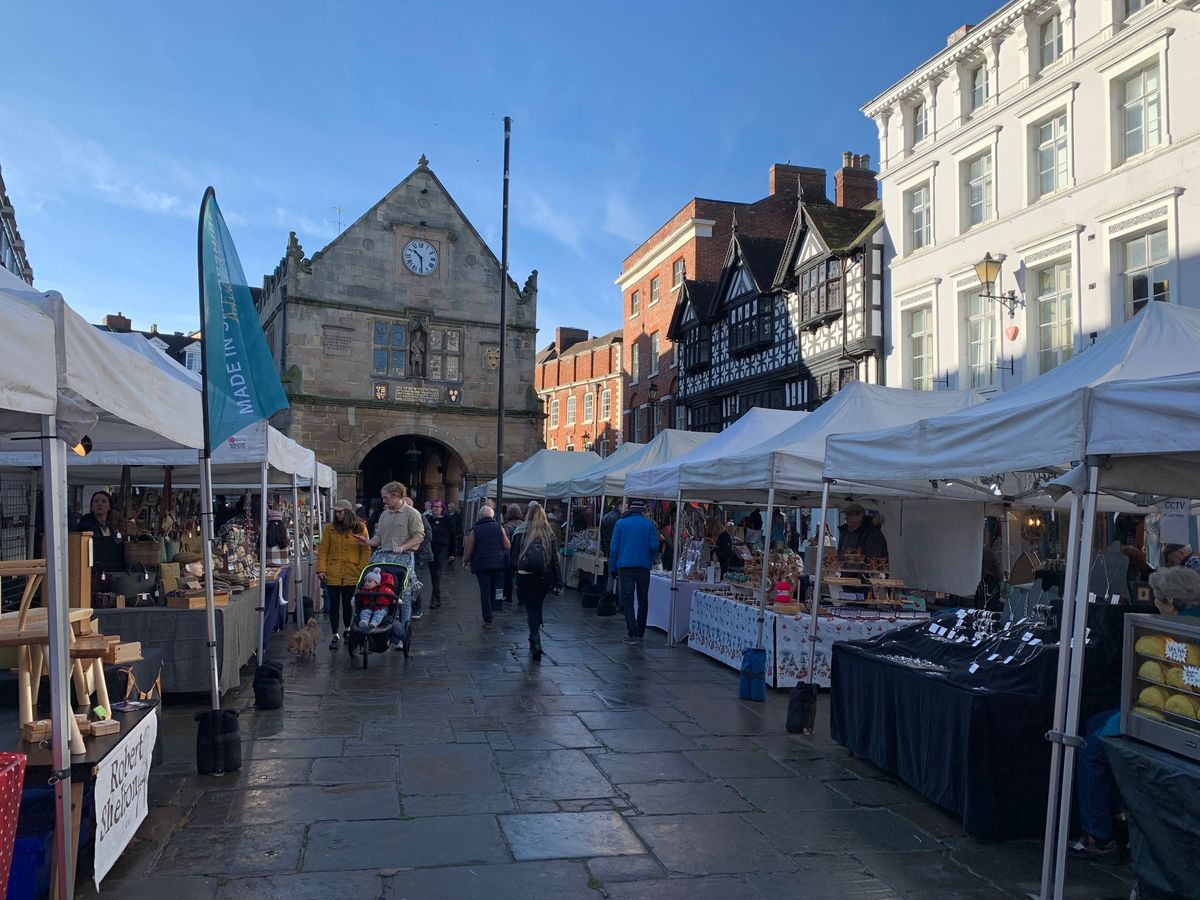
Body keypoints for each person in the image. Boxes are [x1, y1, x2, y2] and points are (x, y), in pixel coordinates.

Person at [1070, 566, 1200, 862]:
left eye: (1157, 598)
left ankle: (1098, 836)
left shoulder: (1170, 631)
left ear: (1169, 601)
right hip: (1165, 707)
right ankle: (1120, 812)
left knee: (1092, 745)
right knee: (1096, 721)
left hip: (1171, 716)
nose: (1154, 603)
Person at [357, 482, 424, 630]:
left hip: (403, 560)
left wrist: (403, 547)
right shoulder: (384, 515)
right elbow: (379, 538)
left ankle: (404, 628)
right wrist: (367, 541)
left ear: (395, 496)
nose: (384, 501)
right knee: (381, 591)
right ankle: (381, 620)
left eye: (385, 498)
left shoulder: (412, 513)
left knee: (404, 595)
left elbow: (419, 537)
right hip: (384, 559)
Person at [509, 504, 562, 659]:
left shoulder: (520, 531)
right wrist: (559, 582)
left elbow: (513, 558)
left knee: (531, 608)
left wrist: (514, 573)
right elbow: (555, 560)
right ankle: (535, 638)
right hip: (543, 576)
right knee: (537, 605)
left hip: (525, 575)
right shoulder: (549, 533)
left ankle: (535, 639)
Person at [317, 499, 371, 649]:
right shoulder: (329, 528)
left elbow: (365, 550)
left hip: (352, 572)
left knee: (348, 604)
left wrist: (361, 568)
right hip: (332, 572)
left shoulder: (360, 528)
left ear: (347, 512)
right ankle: (335, 634)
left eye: (340, 511)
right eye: (336, 511)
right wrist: (321, 569)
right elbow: (323, 550)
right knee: (333, 606)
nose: (337, 514)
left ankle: (347, 629)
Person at [609, 499, 660, 644]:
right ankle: (641, 631)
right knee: (643, 599)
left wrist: (613, 567)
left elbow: (614, 548)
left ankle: (633, 633)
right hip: (643, 567)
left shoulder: (620, 523)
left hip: (625, 566)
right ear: (642, 511)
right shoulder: (648, 524)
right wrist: (648, 559)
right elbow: (654, 546)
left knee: (628, 600)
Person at [463, 505, 510, 629]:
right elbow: (506, 545)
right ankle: (494, 607)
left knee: (485, 591)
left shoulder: (475, 529)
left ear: (479, 516)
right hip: (498, 563)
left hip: (482, 565)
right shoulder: (499, 527)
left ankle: (488, 619)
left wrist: (466, 561)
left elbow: (469, 548)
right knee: (494, 588)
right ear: (492, 515)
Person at [73, 490, 125, 592]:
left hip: (113, 570)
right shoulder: (86, 524)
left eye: (104, 501)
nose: (99, 504)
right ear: (92, 507)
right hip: (93, 571)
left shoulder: (113, 527)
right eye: (96, 501)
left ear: (109, 507)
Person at [424, 499, 453, 608]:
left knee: (437, 573)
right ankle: (437, 596)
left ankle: (434, 598)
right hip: (430, 549)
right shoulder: (428, 519)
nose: (435, 509)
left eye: (437, 506)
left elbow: (452, 536)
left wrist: (452, 553)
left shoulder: (447, 520)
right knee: (433, 575)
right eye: (433, 506)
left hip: (442, 549)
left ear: (442, 509)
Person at [502, 504, 524, 605]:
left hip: (510, 555)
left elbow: (505, 543)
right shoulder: (524, 525)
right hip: (523, 555)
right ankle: (521, 598)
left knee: (508, 577)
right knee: (521, 577)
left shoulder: (507, 526)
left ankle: (508, 596)